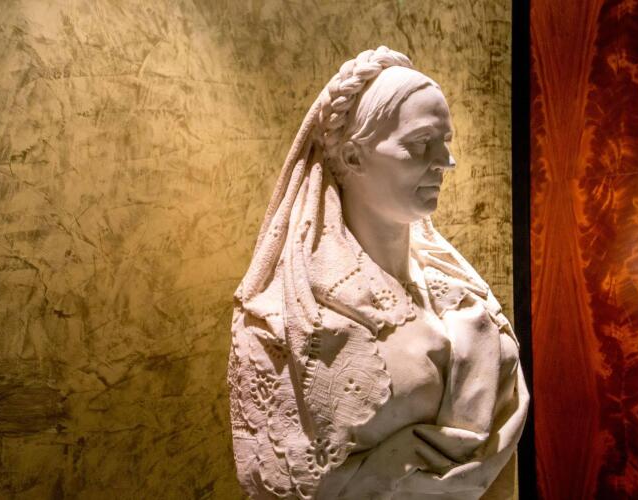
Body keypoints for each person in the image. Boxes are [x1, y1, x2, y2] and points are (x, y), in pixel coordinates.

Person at [227, 46, 529, 500]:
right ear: (353, 157)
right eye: (421, 143)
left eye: (445, 141)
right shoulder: (281, 324)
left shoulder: (464, 297)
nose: (446, 161)